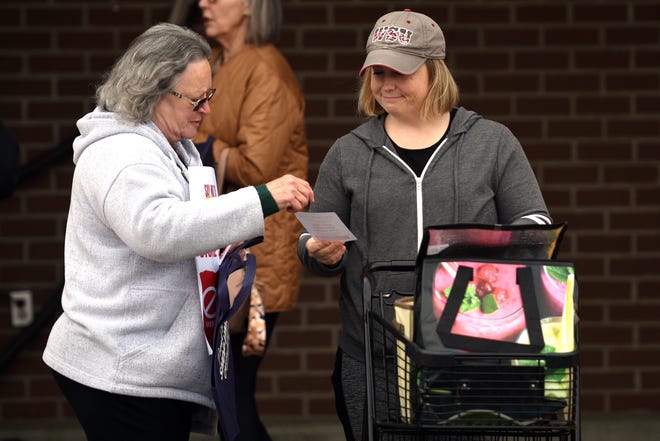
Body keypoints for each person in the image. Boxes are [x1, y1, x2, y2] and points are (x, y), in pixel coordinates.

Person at [41, 22, 313, 441]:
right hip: (121, 369)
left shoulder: (165, 145)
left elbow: (181, 227)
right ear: (151, 93)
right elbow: (157, 229)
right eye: (196, 99)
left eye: (210, 96)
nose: (206, 110)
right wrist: (260, 200)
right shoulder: (124, 154)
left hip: (140, 362)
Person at [297, 9, 552, 441]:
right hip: (374, 357)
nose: (385, 84)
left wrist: (490, 248)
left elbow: (535, 223)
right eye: (376, 72)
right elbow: (315, 240)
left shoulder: (492, 142)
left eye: (399, 71)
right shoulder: (348, 153)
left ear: (434, 71)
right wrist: (315, 249)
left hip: (475, 356)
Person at [194, 1, 309, 440]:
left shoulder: (266, 71)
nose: (204, 2)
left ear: (248, 5)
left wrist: (200, 141)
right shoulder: (218, 62)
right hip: (226, 244)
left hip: (258, 257)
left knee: (234, 395)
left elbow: (259, 171)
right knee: (227, 395)